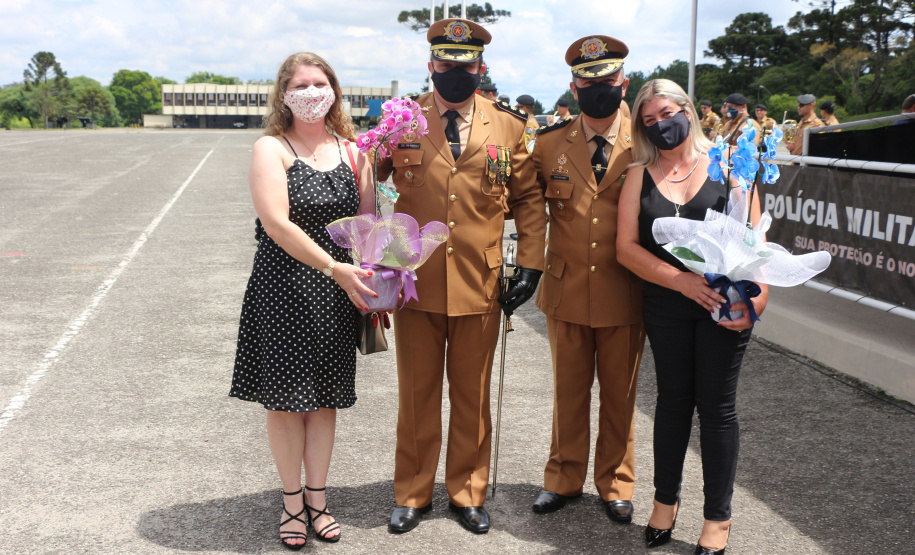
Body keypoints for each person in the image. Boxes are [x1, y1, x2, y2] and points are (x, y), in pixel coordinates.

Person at [376, 17, 546, 535]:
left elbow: (529, 202)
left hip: (480, 281)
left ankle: (467, 492)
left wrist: (532, 265)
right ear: (431, 66)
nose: (455, 72)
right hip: (417, 280)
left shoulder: (510, 127)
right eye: (446, 64)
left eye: (465, 65)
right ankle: (412, 492)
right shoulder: (402, 121)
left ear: (481, 67)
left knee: (471, 395)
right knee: (417, 393)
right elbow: (371, 180)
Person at [229, 52, 376, 550]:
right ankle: (292, 502)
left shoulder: (356, 152)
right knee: (287, 403)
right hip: (285, 289)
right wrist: (335, 267)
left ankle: (319, 498)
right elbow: (277, 223)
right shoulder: (271, 148)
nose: (312, 92)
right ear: (283, 93)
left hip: (338, 295)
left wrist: (383, 278)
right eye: (301, 84)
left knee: (325, 400)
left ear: (334, 89)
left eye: (320, 83)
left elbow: (368, 228)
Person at [617, 78, 768, 554]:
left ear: (687, 108)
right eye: (649, 120)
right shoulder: (638, 174)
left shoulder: (729, 166)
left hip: (724, 306)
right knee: (673, 402)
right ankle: (665, 502)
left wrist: (753, 305)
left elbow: (755, 247)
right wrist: (680, 280)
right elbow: (625, 247)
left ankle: (717, 519)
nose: (661, 125)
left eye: (667, 113)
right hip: (665, 304)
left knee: (718, 411)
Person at [530, 34, 646, 526]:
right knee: (569, 391)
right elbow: (528, 210)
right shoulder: (549, 143)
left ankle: (616, 482)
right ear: (574, 88)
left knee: (620, 394)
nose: (599, 88)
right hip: (566, 284)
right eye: (588, 81)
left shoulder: (645, 142)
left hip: (625, 289)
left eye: (608, 80)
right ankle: (563, 477)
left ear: (623, 83)